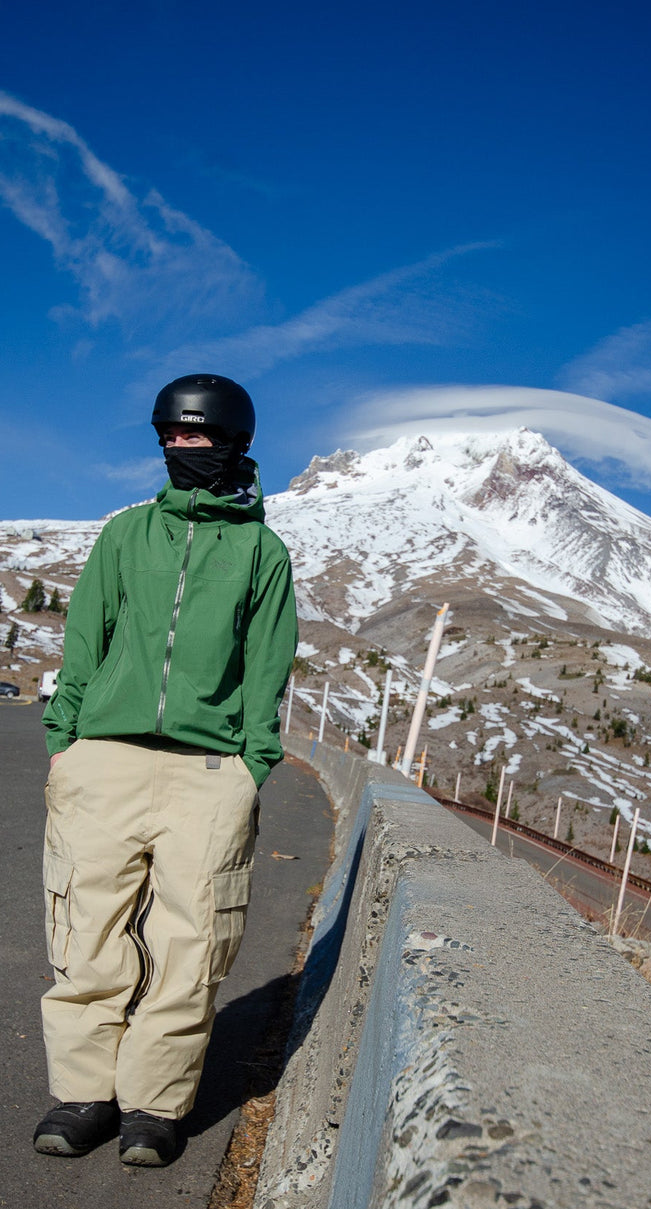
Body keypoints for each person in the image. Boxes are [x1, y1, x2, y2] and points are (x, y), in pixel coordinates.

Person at [34, 374, 298, 1166]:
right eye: (172, 436)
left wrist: (249, 766)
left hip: (208, 771)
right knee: (87, 934)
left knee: (190, 945)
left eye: (200, 436)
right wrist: (66, 741)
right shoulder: (125, 535)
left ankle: (154, 1105)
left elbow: (267, 669)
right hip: (103, 763)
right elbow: (85, 639)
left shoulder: (262, 552)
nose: (185, 448)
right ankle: (83, 1094)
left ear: (234, 444)